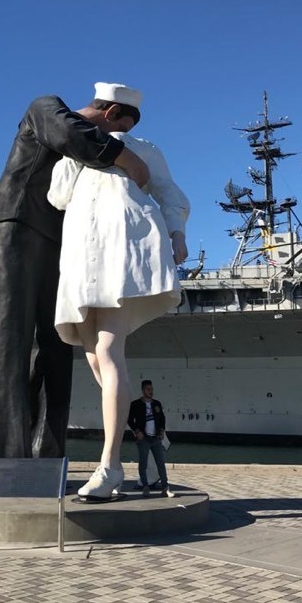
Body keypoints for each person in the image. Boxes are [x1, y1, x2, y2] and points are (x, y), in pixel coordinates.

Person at [0, 84, 150, 459]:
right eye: (116, 129)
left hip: (63, 240)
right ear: (110, 114)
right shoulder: (44, 106)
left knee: (58, 341)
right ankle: (5, 458)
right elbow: (70, 134)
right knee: (11, 337)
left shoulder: (92, 147)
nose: (114, 140)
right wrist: (128, 159)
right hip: (19, 223)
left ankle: (49, 455)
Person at [48, 84, 190, 498]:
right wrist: (177, 235)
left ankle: (110, 464)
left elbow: (57, 195)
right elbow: (170, 195)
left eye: (92, 110)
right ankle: (114, 455)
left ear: (109, 112)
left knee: (107, 355)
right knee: (97, 360)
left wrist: (71, 150)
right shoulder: (142, 149)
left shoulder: (105, 148)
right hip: (94, 250)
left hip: (109, 247)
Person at [127, 380, 173, 497]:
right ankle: (145, 486)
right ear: (143, 390)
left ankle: (165, 487)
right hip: (143, 439)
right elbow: (129, 420)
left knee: (160, 463)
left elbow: (162, 419)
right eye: (148, 389)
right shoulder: (135, 404)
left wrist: (162, 430)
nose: (151, 392)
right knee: (143, 464)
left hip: (156, 438)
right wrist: (137, 431)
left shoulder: (156, 403)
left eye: (151, 389)